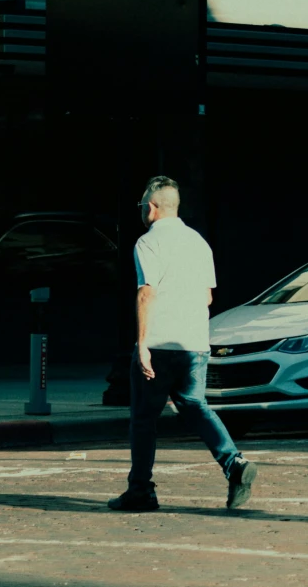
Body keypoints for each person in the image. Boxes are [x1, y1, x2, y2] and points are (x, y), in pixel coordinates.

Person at [108, 176, 256, 514]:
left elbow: (146, 293)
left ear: (151, 207)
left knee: (144, 418)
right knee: (195, 405)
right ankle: (233, 463)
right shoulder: (199, 243)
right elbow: (207, 296)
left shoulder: (148, 243)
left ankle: (141, 490)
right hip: (194, 344)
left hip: (160, 343)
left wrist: (142, 344)